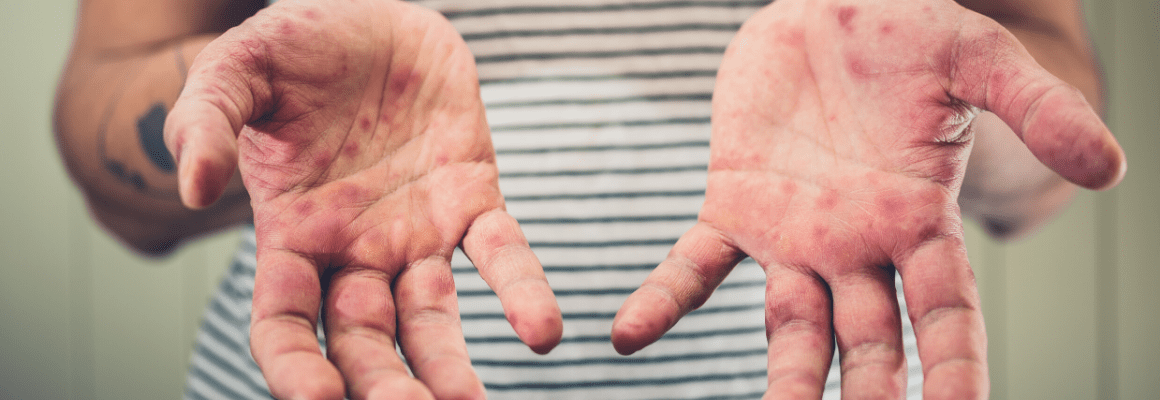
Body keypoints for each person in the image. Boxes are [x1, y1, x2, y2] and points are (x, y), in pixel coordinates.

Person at [54, 0, 1125, 398]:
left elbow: (1045, 125)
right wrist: (228, 93)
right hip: (328, 369)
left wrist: (939, 122)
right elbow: (117, 151)